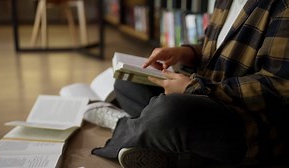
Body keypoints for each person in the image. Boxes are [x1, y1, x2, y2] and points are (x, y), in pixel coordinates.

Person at [91, 0, 289, 167]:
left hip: (244, 123)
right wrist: (186, 52)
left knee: (169, 111)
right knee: (126, 83)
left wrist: (193, 88)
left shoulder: (283, 6)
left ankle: (123, 124)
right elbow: (213, 44)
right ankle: (167, 143)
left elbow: (277, 86)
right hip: (205, 96)